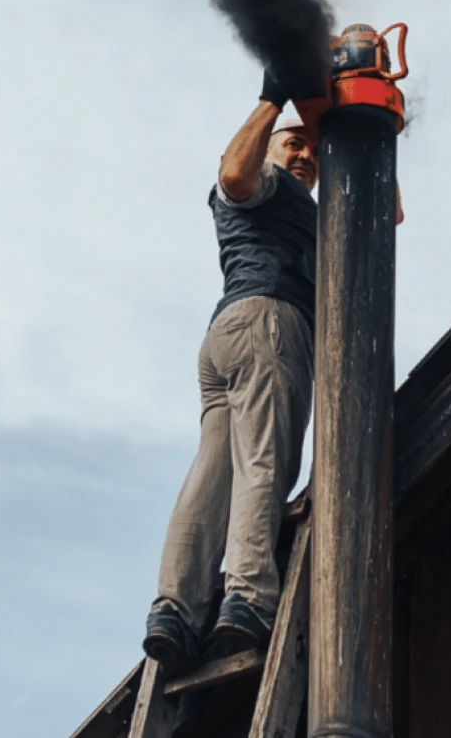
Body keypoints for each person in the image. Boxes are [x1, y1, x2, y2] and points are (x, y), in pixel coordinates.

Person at [140, 70, 326, 672]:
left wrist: (374, 136)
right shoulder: (267, 182)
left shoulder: (308, 208)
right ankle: (246, 598)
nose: (305, 156)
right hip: (269, 325)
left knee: (213, 472)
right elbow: (234, 175)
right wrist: (275, 99)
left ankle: (177, 608)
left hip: (227, 335)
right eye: (293, 143)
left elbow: (388, 216)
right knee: (264, 461)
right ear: (271, 144)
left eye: (315, 151)